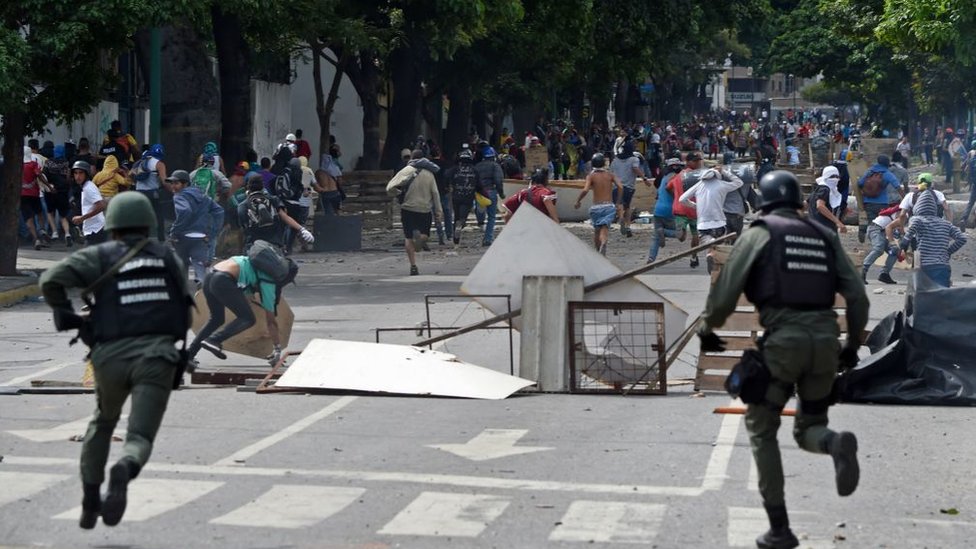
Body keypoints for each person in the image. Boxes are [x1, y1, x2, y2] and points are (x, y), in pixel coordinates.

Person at [698, 170, 868, 549]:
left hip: (783, 343)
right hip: (826, 342)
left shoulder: (759, 234)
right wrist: (852, 346)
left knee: (761, 429)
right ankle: (834, 441)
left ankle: (779, 529)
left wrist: (709, 327)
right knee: (810, 427)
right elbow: (857, 297)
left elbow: (727, 290)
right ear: (797, 202)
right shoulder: (824, 236)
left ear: (764, 201)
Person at [39, 191, 192, 530]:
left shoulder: (99, 256)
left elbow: (50, 280)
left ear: (112, 227)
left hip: (109, 357)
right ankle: (124, 467)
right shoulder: (168, 258)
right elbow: (185, 309)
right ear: (149, 224)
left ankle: (90, 500)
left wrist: (66, 316)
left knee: (102, 422)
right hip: (158, 358)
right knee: (139, 437)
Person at [188, 250, 297, 366]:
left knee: (216, 319)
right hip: (223, 280)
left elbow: (244, 293)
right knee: (247, 318)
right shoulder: (268, 282)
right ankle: (214, 340)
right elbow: (271, 322)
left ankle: (189, 355)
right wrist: (277, 348)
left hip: (210, 276)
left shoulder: (255, 262)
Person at [678, 166, 744, 273]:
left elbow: (682, 199)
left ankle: (710, 253)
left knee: (710, 244)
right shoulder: (721, 184)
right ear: (717, 176)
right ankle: (718, 268)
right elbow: (739, 182)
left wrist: (695, 205)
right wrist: (725, 172)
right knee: (718, 247)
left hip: (703, 225)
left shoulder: (699, 184)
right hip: (720, 224)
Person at [386, 150, 442, 275]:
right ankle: (421, 239)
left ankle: (413, 266)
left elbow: (389, 187)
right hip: (424, 209)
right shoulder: (429, 174)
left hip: (408, 209)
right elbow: (435, 193)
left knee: (408, 237)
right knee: (425, 234)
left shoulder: (406, 170)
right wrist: (438, 211)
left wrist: (398, 194)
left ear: (412, 158)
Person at [168, 170, 225, 283]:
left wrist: (174, 232)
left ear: (185, 184)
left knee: (180, 269)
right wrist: (212, 233)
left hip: (183, 238)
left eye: (176, 183)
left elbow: (185, 211)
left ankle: (183, 294)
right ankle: (201, 293)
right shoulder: (203, 196)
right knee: (200, 269)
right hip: (201, 237)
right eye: (172, 183)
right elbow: (219, 212)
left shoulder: (179, 196)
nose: (173, 186)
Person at [902, 190, 967, 287]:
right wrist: (948, 251)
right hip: (943, 267)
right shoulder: (946, 223)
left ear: (918, 207)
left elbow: (908, 236)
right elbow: (962, 238)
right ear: (934, 209)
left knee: (923, 297)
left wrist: (903, 247)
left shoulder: (917, 220)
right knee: (941, 297)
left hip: (924, 266)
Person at [237, 174, 314, 253]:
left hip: (253, 247)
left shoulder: (243, 206)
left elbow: (242, 230)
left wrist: (240, 252)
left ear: (247, 187)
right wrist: (302, 229)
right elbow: (285, 217)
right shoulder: (273, 199)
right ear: (262, 186)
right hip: (274, 245)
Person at [574, 153, 622, 255]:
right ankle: (604, 243)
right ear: (604, 163)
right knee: (604, 228)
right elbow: (620, 187)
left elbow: (585, 190)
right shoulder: (610, 175)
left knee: (597, 230)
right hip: (609, 206)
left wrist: (578, 201)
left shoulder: (591, 176)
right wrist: (618, 202)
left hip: (596, 207)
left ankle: (598, 251)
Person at [647, 157, 687, 263]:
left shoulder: (662, 178)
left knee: (656, 236)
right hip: (670, 211)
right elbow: (677, 195)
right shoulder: (677, 178)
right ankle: (664, 232)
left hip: (658, 210)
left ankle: (651, 258)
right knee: (682, 235)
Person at [856, 155, 902, 243]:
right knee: (882, 223)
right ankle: (879, 241)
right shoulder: (887, 174)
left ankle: (870, 238)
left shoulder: (869, 172)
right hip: (882, 203)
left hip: (868, 202)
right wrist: (905, 200)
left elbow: (860, 183)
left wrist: (865, 191)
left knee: (871, 222)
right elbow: (898, 187)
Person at [669, 152, 703, 268]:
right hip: (693, 208)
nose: (698, 163)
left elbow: (667, 188)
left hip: (679, 209)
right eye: (696, 161)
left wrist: (676, 196)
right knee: (695, 235)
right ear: (688, 162)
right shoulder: (698, 176)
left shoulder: (678, 176)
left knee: (682, 238)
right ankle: (693, 257)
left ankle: (680, 232)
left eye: (699, 160)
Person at [610, 141, 648, 237]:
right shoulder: (634, 159)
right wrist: (644, 178)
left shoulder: (615, 160)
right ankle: (627, 226)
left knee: (619, 204)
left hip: (616, 186)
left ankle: (621, 218)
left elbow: (611, 172)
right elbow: (635, 168)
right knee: (627, 207)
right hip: (628, 186)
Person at [445, 148, 481, 246]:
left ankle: (456, 241)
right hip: (468, 197)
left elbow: (446, 175)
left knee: (456, 216)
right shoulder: (474, 170)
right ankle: (460, 224)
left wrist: (447, 186)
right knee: (462, 217)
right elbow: (479, 185)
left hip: (456, 196)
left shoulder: (455, 169)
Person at [133, 144, 169, 241]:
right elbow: (164, 181)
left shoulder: (141, 161)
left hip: (139, 193)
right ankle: (161, 239)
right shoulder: (159, 164)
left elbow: (131, 177)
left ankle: (141, 239)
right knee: (158, 215)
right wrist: (172, 190)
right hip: (152, 193)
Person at [861, 204, 902, 285]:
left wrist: (900, 248)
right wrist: (892, 243)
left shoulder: (906, 213)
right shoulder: (904, 213)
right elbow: (889, 228)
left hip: (882, 231)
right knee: (879, 249)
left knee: (894, 252)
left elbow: (899, 231)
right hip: (875, 229)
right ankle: (862, 271)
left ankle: (884, 274)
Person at [43, 145, 73, 246]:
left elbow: (44, 176)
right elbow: (68, 178)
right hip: (62, 192)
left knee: (50, 212)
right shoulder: (66, 163)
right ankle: (67, 234)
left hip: (51, 191)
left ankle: (54, 232)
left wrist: (49, 186)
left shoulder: (48, 162)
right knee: (63, 215)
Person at [474, 146, 504, 246]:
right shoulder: (495, 166)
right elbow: (498, 181)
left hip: (479, 193)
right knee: (491, 216)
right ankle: (487, 238)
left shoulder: (477, 166)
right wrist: (501, 193)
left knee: (480, 210)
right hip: (491, 191)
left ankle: (480, 222)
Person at [21, 145, 50, 250]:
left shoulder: (18, 166)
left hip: (22, 196)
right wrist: (48, 186)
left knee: (28, 218)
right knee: (39, 213)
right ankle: (41, 230)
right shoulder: (33, 164)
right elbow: (40, 176)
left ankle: (36, 238)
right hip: (34, 194)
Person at [807, 166, 847, 233]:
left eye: (837, 177)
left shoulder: (819, 189)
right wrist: (838, 222)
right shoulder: (825, 189)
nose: (835, 179)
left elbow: (806, 203)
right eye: (832, 176)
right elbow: (820, 206)